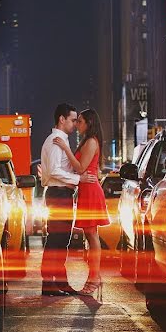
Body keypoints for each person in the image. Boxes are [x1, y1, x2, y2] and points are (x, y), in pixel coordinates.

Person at [39, 103, 96, 297]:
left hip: (62, 194)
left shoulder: (61, 140)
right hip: (58, 195)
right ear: (61, 119)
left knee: (62, 240)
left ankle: (60, 282)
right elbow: (54, 170)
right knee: (56, 240)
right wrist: (78, 179)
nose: (74, 124)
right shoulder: (56, 140)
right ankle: (49, 283)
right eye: (72, 120)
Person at [53, 108, 109, 298]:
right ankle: (94, 277)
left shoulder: (91, 142)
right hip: (85, 191)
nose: (77, 125)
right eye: (76, 121)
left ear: (89, 123)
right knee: (89, 237)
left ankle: (94, 278)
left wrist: (66, 149)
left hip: (91, 192)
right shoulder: (87, 141)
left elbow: (80, 168)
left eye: (81, 121)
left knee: (92, 237)